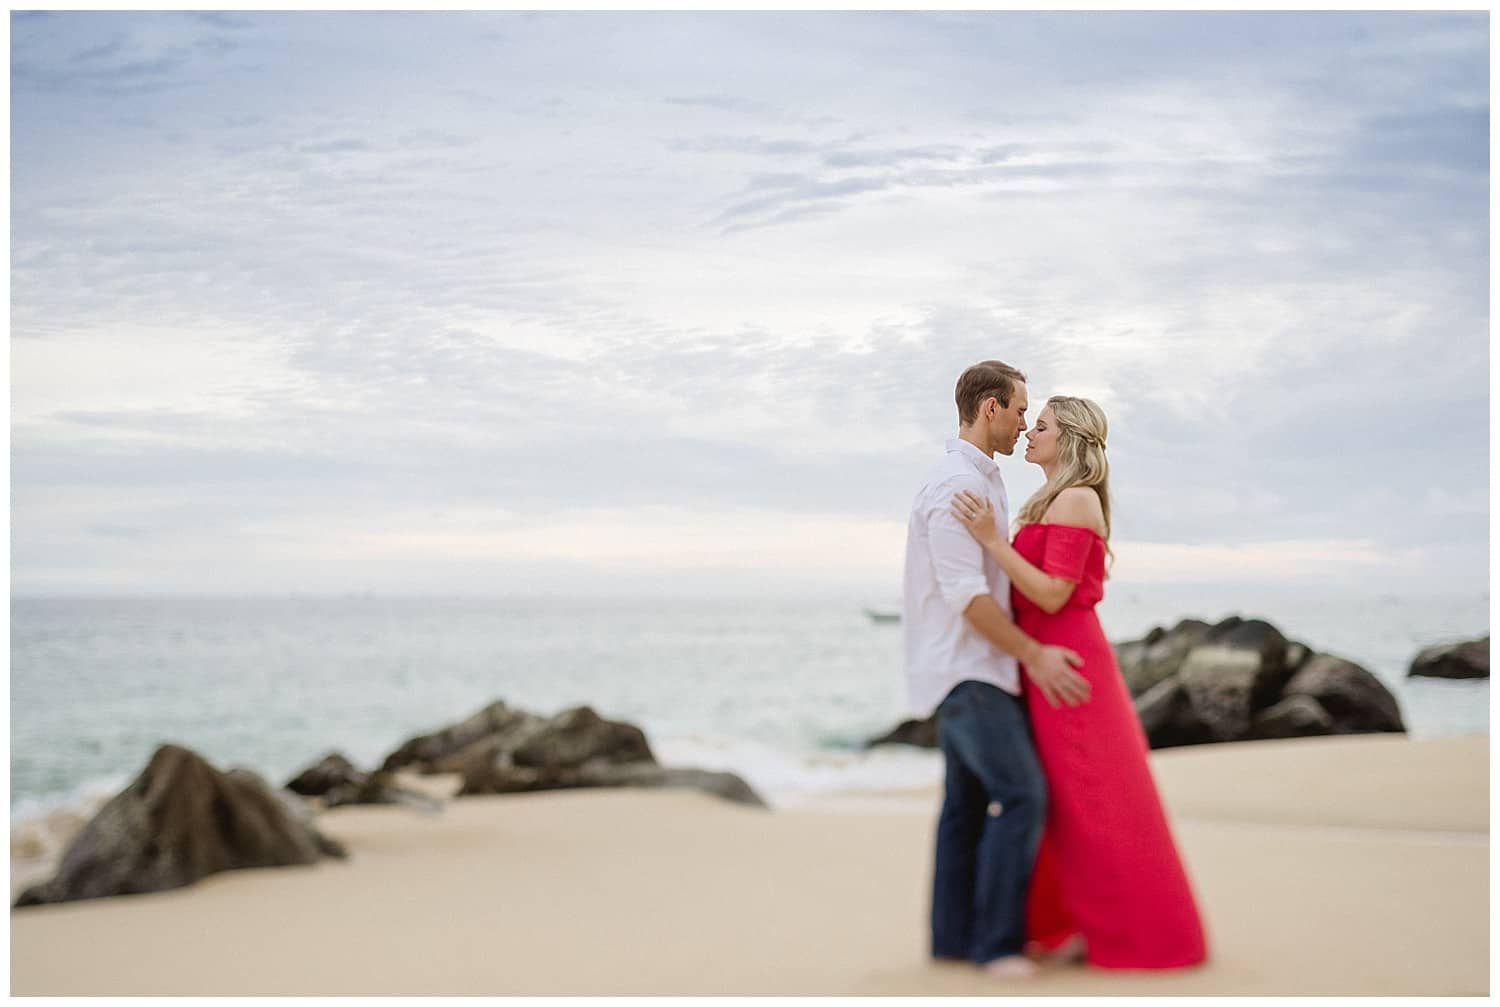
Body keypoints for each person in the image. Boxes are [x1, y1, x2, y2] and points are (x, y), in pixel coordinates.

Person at [951, 395, 1208, 970]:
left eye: (1038, 425)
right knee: (1065, 804)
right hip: (1043, 664)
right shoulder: (1045, 501)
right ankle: (1072, 924)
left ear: (1066, 436)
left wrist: (992, 541)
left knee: (1100, 799)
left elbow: (1051, 593)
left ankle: (1138, 933)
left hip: (1069, 668)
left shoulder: (1075, 498)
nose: (1027, 433)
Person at [902, 361, 1092, 980]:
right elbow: (966, 595)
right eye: (1018, 411)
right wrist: (1033, 655)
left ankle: (951, 943)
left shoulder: (979, 479)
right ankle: (995, 947)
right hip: (970, 670)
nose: (1021, 425)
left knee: (965, 806)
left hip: (967, 671)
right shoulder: (957, 485)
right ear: (991, 408)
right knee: (1022, 794)